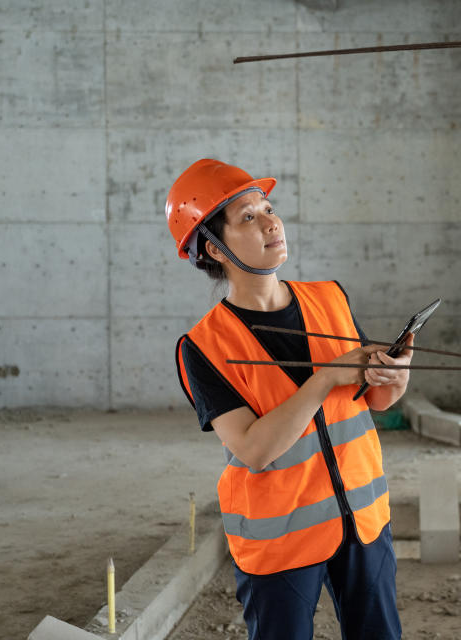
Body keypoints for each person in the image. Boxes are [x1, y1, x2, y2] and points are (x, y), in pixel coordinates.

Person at [166, 158, 409, 640]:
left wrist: (397, 371)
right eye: (248, 217)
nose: (271, 222)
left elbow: (378, 401)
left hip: (361, 521)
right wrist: (323, 380)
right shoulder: (205, 345)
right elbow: (254, 449)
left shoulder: (330, 299)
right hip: (278, 538)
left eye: (268, 208)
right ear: (213, 249)